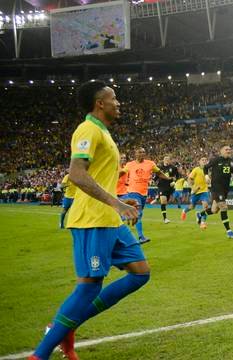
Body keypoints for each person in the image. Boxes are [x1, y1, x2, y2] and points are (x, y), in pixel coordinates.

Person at [29, 81, 148, 360]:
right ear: (100, 103)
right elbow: (77, 174)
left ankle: (65, 327)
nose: (118, 102)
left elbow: (99, 176)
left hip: (109, 220)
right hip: (92, 219)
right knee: (89, 287)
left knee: (140, 273)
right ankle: (39, 355)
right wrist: (116, 203)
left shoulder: (103, 132)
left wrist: (119, 199)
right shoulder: (88, 130)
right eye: (114, 98)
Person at [121, 148, 171, 244]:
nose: (142, 153)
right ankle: (141, 237)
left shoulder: (150, 164)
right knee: (138, 213)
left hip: (144, 193)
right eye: (140, 152)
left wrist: (168, 178)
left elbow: (159, 173)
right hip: (133, 192)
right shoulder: (130, 164)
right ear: (135, 154)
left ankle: (123, 217)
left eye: (144, 152)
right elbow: (121, 173)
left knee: (138, 213)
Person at [202, 145, 233, 238]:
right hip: (216, 187)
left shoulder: (232, 161)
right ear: (221, 151)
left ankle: (201, 214)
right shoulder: (216, 160)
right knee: (224, 207)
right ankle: (229, 231)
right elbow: (205, 167)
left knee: (214, 210)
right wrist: (206, 176)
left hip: (225, 188)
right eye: (226, 149)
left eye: (229, 149)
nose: (228, 151)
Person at [182, 157, 211, 229]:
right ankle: (184, 211)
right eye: (202, 160)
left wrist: (209, 181)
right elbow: (189, 179)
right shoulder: (196, 169)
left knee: (206, 206)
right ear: (199, 162)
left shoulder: (207, 171)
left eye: (205, 160)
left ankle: (203, 222)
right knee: (192, 207)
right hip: (196, 191)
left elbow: (208, 181)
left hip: (204, 191)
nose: (204, 161)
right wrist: (192, 188)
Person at [157, 155, 180, 223]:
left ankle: (158, 198)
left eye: (168, 159)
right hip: (161, 186)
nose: (167, 160)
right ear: (163, 160)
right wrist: (155, 180)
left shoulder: (173, 167)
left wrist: (174, 182)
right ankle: (165, 218)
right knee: (163, 201)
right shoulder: (160, 168)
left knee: (165, 202)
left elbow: (177, 176)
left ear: (170, 160)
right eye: (165, 159)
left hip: (170, 187)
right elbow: (156, 176)